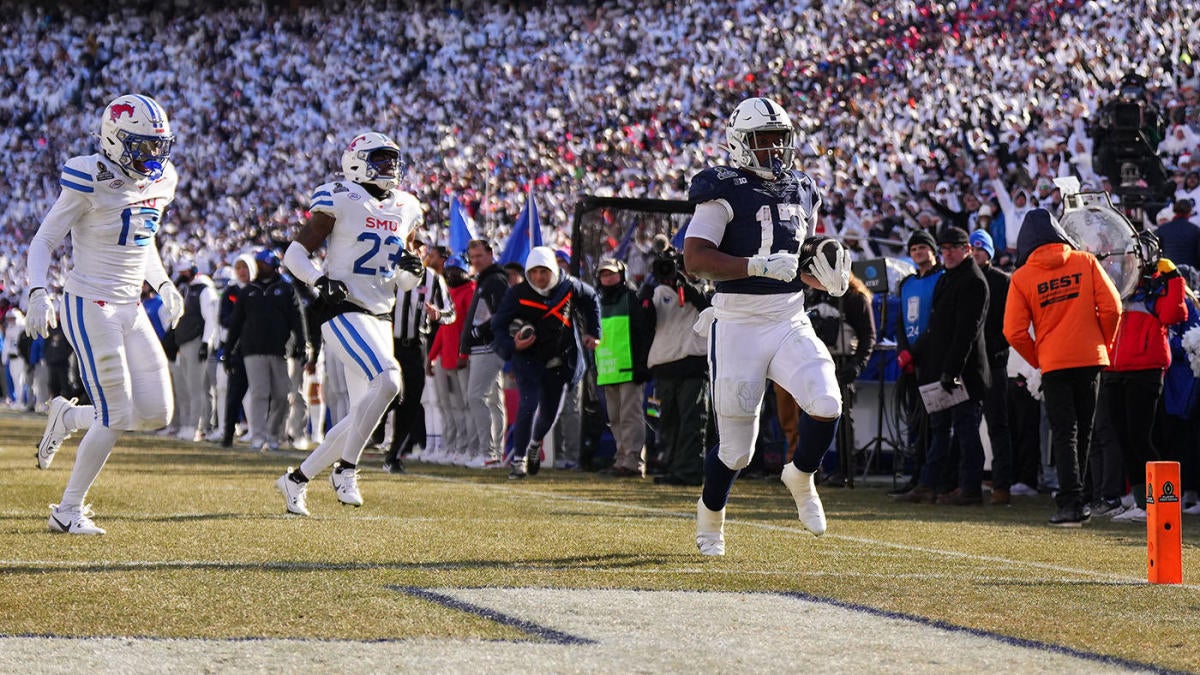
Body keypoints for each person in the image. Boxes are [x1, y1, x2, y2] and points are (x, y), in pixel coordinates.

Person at [682, 97, 851, 556]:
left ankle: (800, 474)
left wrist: (828, 278)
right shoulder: (722, 187)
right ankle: (711, 517)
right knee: (737, 451)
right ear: (740, 142)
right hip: (737, 322)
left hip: (788, 316)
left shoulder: (802, 188)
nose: (774, 149)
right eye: (763, 139)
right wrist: (753, 264)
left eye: (780, 138)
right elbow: (695, 258)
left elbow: (798, 258)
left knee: (827, 401)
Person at [26, 94, 183, 535]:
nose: (153, 156)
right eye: (143, 145)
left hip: (131, 306)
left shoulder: (161, 179)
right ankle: (68, 510)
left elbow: (142, 239)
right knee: (115, 413)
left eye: (158, 146)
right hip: (89, 304)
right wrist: (38, 291)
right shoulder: (88, 176)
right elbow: (42, 241)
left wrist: (165, 283)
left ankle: (69, 417)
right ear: (115, 141)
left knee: (157, 414)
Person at [277, 131, 424, 516]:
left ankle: (296, 481)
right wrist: (318, 280)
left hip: (380, 313)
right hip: (342, 310)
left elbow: (405, 280)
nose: (390, 167)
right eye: (381, 159)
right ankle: (346, 468)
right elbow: (294, 254)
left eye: (393, 159)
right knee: (390, 381)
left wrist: (415, 271)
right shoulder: (340, 197)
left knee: (363, 411)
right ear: (357, 161)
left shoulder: (407, 206)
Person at [1004, 209, 1122, 526]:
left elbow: (1013, 332)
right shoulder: (1084, 262)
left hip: (1055, 363)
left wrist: (1039, 358)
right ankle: (1080, 498)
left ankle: (1070, 502)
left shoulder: (1023, 277)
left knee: (1064, 432)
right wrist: (1103, 343)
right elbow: (1113, 307)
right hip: (1091, 357)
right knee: (1084, 431)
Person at [894, 227, 990, 505]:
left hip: (962, 373)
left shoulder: (972, 280)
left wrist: (951, 370)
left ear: (967, 250)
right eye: (945, 248)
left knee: (964, 430)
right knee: (941, 430)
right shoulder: (951, 278)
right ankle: (930, 484)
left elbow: (966, 333)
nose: (947, 252)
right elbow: (937, 327)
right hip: (943, 368)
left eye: (954, 247)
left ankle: (969, 488)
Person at [1097, 236, 1186, 522]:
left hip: (1145, 369)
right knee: (1124, 438)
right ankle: (1141, 502)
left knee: (1140, 437)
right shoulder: (1117, 287)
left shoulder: (1156, 288)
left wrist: (1174, 277)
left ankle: (1160, 500)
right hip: (1115, 369)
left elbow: (1174, 314)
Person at [491, 246, 600, 479]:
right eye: (534, 272)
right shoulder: (517, 293)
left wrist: (594, 331)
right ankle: (518, 460)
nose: (539, 278)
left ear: (553, 270)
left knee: (550, 414)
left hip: (560, 361)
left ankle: (534, 444)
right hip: (528, 360)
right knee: (528, 406)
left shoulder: (568, 286)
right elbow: (498, 326)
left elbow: (592, 297)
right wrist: (513, 345)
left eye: (544, 271)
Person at [223, 249, 307, 451]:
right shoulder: (248, 291)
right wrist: (228, 350)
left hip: (280, 350)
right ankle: (258, 437)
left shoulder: (286, 289)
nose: (260, 268)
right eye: (258, 264)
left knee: (281, 395)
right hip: (252, 350)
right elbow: (235, 324)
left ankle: (274, 434)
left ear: (273, 266)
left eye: (264, 264)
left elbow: (297, 318)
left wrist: (302, 343)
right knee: (259, 393)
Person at [383, 241, 453, 472]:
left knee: (411, 401)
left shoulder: (432, 278)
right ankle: (378, 436)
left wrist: (438, 314)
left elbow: (450, 313)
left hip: (415, 346)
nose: (414, 252)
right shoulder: (387, 272)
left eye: (418, 248)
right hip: (388, 344)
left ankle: (394, 454)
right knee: (387, 394)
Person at [643, 252, 711, 487]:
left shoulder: (709, 289)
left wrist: (685, 286)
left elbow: (707, 306)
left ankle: (690, 471)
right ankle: (672, 466)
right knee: (667, 422)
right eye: (683, 268)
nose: (687, 272)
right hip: (664, 367)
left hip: (694, 366)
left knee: (692, 421)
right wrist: (646, 290)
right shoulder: (659, 292)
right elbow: (645, 322)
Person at [805, 272, 876, 487]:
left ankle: (844, 470)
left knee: (843, 419)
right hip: (815, 361)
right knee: (810, 417)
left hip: (841, 363)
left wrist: (857, 365)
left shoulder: (855, 297)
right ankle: (811, 468)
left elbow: (868, 336)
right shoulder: (813, 295)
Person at [890, 230, 944, 495]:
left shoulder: (943, 279)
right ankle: (915, 475)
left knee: (935, 425)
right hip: (910, 362)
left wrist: (916, 352)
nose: (918, 252)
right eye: (913, 249)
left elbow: (938, 322)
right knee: (915, 423)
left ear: (933, 251)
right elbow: (900, 321)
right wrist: (903, 351)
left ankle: (931, 478)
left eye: (923, 247)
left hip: (933, 360)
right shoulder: (907, 283)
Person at [594, 258, 652, 478]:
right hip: (608, 369)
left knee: (630, 416)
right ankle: (622, 459)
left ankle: (634, 462)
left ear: (621, 274)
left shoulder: (631, 298)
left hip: (629, 368)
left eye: (611, 274)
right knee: (615, 418)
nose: (608, 278)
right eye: (604, 274)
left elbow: (642, 333)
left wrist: (641, 363)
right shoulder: (598, 301)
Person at [969, 229, 1015, 505]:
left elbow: (1010, 324)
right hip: (968, 365)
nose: (975, 253)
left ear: (989, 252)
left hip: (994, 363)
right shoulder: (961, 279)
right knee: (967, 426)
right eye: (972, 248)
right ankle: (969, 482)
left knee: (998, 425)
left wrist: (990, 349)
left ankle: (1002, 485)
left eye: (980, 249)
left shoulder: (1002, 281)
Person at [459, 239, 511, 468]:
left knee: (476, 396)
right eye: (473, 257)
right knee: (492, 400)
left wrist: (478, 331)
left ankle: (489, 452)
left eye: (480, 256)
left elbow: (502, 314)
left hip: (489, 346)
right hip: (485, 346)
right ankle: (493, 453)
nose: (476, 261)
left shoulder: (495, 280)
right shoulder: (488, 279)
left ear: (490, 254)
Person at [426, 255, 475, 467]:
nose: (453, 274)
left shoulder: (471, 292)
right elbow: (442, 331)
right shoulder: (447, 294)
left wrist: (463, 355)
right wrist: (431, 356)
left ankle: (468, 448)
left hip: (461, 360)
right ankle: (453, 446)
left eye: (457, 270)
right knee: (448, 407)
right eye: (450, 270)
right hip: (446, 360)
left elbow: (470, 328)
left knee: (465, 406)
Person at [171, 259, 219, 442]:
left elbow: (211, 318)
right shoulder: (188, 289)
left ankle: (197, 426)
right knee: (188, 386)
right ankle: (188, 424)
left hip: (196, 342)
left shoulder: (204, 289)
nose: (181, 276)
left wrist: (206, 342)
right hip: (185, 343)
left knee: (196, 387)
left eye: (184, 272)